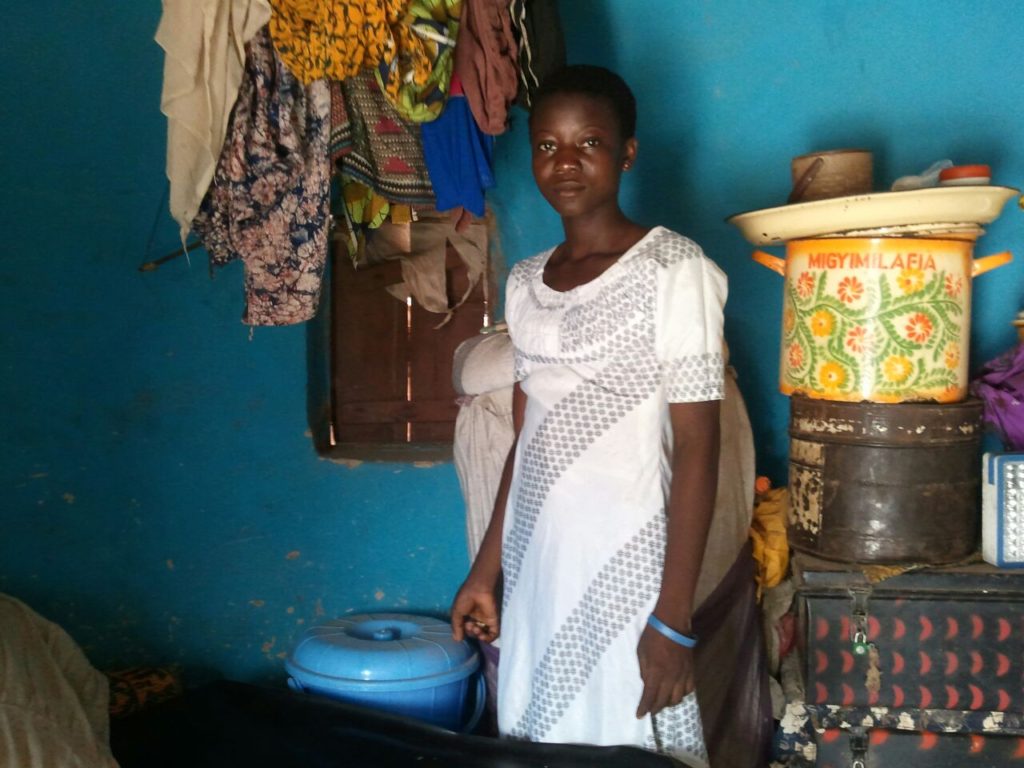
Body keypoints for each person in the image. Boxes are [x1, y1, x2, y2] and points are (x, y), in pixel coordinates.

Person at [450, 64, 729, 767]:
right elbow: (526, 440)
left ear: (627, 153)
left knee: (622, 739)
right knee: (539, 736)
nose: (565, 163)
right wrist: (486, 572)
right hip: (539, 559)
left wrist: (673, 618)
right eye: (547, 145)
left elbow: (699, 447)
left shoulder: (674, 271)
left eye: (589, 143)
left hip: (629, 560)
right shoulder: (524, 282)